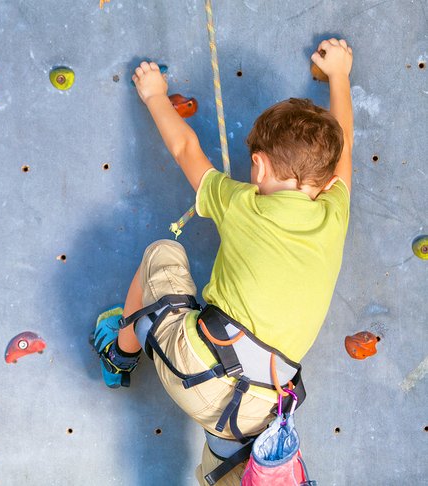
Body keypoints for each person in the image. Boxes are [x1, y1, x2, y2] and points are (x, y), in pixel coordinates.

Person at [92, 38, 354, 484]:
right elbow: (343, 152)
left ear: (259, 167)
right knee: (232, 452)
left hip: (195, 370)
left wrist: (155, 93)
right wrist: (340, 76)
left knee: (162, 253)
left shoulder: (242, 203)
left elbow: (185, 151)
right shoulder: (335, 213)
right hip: (253, 411)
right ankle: (223, 468)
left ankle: (120, 355)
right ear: (328, 182)